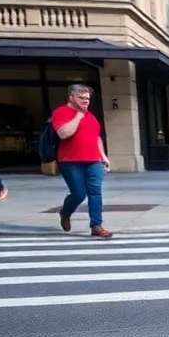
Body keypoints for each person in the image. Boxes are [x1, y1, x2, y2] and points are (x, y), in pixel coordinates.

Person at [52, 83, 110, 238]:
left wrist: (103, 156)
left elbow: (96, 137)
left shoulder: (91, 116)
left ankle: (96, 225)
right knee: (78, 194)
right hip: (71, 161)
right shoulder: (61, 112)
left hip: (94, 160)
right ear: (71, 98)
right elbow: (63, 134)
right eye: (81, 98)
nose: (86, 101)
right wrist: (78, 116)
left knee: (95, 192)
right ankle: (65, 212)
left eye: (88, 99)